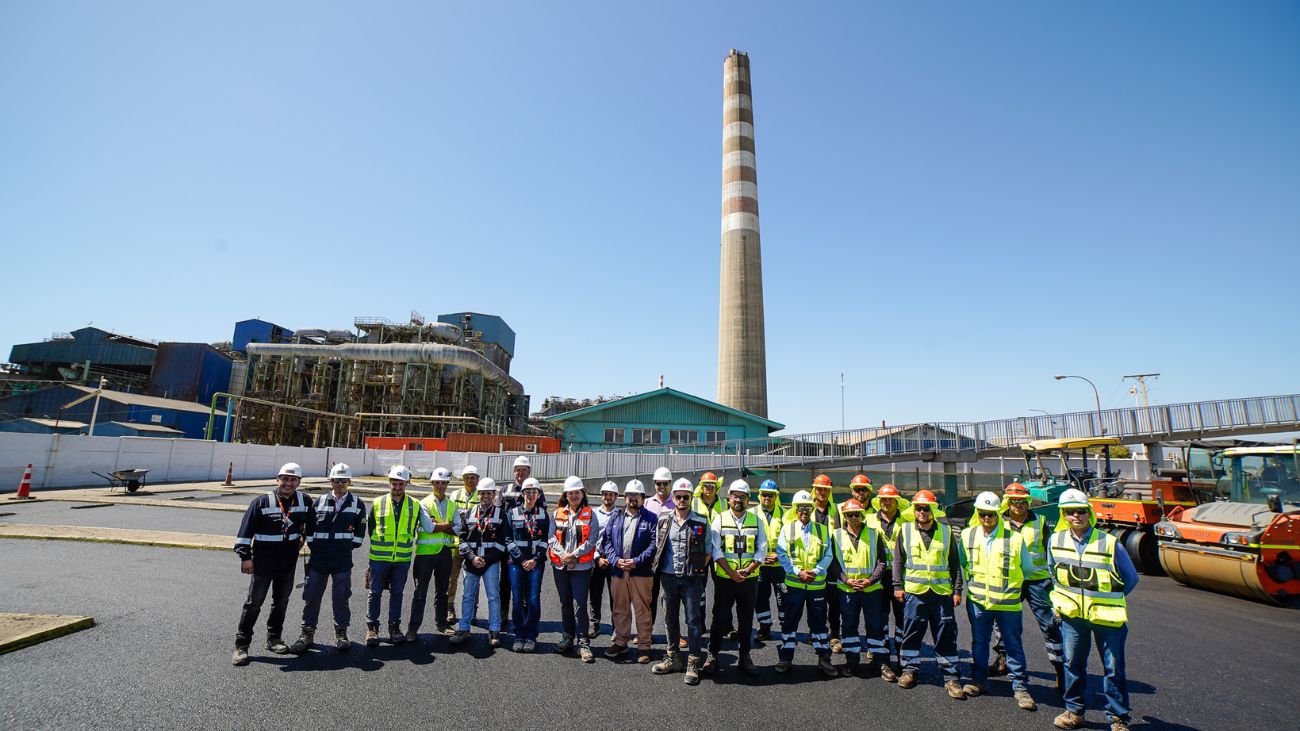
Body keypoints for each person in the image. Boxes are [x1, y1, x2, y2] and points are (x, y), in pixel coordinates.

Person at [1048, 489, 1140, 731]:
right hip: (1073, 617)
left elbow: (1130, 579)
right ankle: (1074, 712)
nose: (1076, 515)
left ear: (1089, 512)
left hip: (1107, 618)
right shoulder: (1055, 541)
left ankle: (1118, 719)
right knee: (1073, 665)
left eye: (1080, 510)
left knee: (1113, 669)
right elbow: (1053, 574)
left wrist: (1108, 601)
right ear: (1063, 514)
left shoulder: (1109, 542)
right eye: (1070, 511)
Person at [232, 462, 316, 666]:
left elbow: (311, 525)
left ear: (299, 482)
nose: (288, 483)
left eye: (293, 479)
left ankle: (274, 639)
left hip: (287, 564)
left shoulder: (305, 501)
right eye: (285, 479)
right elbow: (245, 533)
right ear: (278, 480)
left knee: (281, 602)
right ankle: (241, 646)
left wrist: (305, 538)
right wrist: (245, 557)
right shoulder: (261, 502)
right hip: (262, 563)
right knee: (254, 604)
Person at [960, 491, 1037, 711]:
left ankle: (1020, 688)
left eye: (991, 514)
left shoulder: (1015, 538)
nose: (987, 519)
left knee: (1013, 645)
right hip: (978, 601)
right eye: (983, 514)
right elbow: (965, 564)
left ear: (998, 514)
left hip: (1008, 604)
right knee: (979, 643)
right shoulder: (967, 536)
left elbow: (1028, 569)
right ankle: (979, 681)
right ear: (978, 513)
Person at [893, 489, 966, 699]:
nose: (922, 512)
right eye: (918, 508)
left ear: (933, 510)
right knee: (912, 633)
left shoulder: (946, 532)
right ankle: (909, 671)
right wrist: (898, 586)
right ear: (914, 510)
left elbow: (954, 564)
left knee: (945, 635)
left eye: (926, 508)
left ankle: (951, 677)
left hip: (941, 594)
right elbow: (898, 561)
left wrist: (957, 589)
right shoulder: (905, 530)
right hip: (915, 593)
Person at [994, 482, 1065, 693]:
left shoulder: (1040, 522)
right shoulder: (999, 521)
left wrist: (1055, 581)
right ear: (1008, 502)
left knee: (1049, 624)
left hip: (1037, 580)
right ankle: (1002, 659)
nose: (1018, 505)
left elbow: (1049, 551)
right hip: (1010, 580)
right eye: (1014, 501)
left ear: (1028, 501)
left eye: (1022, 501)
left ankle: (1060, 669)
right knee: (1004, 624)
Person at [291, 462, 366, 653]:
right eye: (336, 480)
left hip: (342, 560)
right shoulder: (319, 502)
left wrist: (347, 546)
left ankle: (341, 633)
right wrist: (315, 547)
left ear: (349, 481)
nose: (339, 483)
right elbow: (309, 529)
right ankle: (307, 633)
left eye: (343, 480)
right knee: (312, 596)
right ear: (330, 481)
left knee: (341, 597)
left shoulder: (357, 504)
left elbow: (359, 533)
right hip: (319, 560)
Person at [365, 465, 435, 646]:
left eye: (401, 484)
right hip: (379, 558)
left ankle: (394, 627)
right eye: (394, 483)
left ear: (406, 484)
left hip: (402, 559)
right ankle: (372, 628)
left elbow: (420, 528)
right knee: (375, 593)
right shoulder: (378, 502)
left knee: (397, 593)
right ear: (389, 483)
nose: (397, 487)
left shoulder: (415, 505)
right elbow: (371, 528)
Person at [651, 478, 712, 685]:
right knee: (670, 619)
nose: (682, 500)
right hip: (668, 578)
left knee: (693, 621)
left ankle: (693, 662)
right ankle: (673, 657)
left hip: (692, 580)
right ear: (673, 498)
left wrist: (694, 569)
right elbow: (657, 546)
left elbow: (708, 552)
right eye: (678, 497)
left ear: (691, 498)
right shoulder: (663, 519)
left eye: (686, 497)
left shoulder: (701, 522)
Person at [704, 479, 765, 676]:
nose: (738, 499)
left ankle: (745, 657)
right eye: (735, 496)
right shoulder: (720, 519)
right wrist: (731, 573)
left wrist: (748, 570)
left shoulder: (756, 521)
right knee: (719, 619)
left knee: (746, 619)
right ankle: (712, 655)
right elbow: (715, 549)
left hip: (749, 579)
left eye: (743, 496)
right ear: (729, 498)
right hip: (725, 579)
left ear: (748, 499)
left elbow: (762, 549)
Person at [774, 489, 836, 677]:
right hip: (794, 584)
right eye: (800, 508)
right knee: (790, 622)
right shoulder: (787, 528)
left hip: (816, 585)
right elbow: (783, 555)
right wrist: (798, 572)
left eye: (807, 507)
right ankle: (785, 657)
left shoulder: (822, 530)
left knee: (819, 624)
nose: (804, 511)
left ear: (812, 509)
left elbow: (828, 555)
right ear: (795, 509)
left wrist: (815, 572)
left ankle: (824, 658)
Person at [600, 478, 658, 664]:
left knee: (642, 609)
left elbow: (654, 545)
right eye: (630, 495)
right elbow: (606, 541)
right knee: (620, 609)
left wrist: (635, 561)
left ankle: (644, 646)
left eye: (637, 495)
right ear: (624, 498)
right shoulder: (615, 517)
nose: (633, 498)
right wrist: (616, 561)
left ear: (643, 497)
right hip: (618, 572)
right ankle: (621, 641)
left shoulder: (651, 518)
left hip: (640, 572)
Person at [832, 498, 890, 679]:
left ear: (862, 515)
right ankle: (851, 662)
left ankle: (879, 663)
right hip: (847, 589)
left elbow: (882, 561)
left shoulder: (874, 534)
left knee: (875, 626)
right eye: (850, 515)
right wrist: (846, 580)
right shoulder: (836, 535)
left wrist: (870, 580)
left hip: (871, 589)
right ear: (844, 516)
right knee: (849, 627)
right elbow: (833, 563)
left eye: (857, 514)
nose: (854, 518)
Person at [449, 478, 506, 647]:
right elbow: (462, 540)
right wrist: (472, 557)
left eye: (488, 493)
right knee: (467, 596)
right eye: (482, 493)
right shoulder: (468, 513)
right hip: (471, 562)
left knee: (493, 597)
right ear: (478, 494)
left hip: (490, 563)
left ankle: (494, 630)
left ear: (494, 495)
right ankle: (464, 628)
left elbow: (502, 543)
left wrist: (486, 560)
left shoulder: (501, 514)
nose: (485, 496)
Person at [549, 476, 601, 663]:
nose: (574, 496)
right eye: (570, 493)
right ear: (566, 495)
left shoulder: (590, 514)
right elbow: (551, 538)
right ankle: (567, 637)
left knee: (580, 604)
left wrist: (574, 555)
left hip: (582, 567)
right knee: (565, 603)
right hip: (561, 565)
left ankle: (584, 643)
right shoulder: (556, 514)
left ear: (582, 494)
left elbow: (592, 539)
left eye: (577, 493)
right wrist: (565, 555)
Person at [868, 483, 912, 678]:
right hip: (878, 575)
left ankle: (903, 658)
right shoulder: (869, 520)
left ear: (897, 501)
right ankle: (883, 660)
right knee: (880, 618)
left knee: (903, 619)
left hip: (901, 576)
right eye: (883, 499)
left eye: (890, 499)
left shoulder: (906, 522)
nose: (886, 503)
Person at [409, 467, 458, 640]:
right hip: (425, 555)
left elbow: (459, 529)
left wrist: (440, 525)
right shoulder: (424, 504)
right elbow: (429, 528)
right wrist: (449, 524)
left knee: (442, 592)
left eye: (443, 482)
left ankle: (442, 623)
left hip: (445, 554)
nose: (440, 486)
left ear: (447, 484)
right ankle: (413, 629)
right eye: (437, 482)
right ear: (431, 483)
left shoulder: (452, 504)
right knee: (420, 592)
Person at [503, 477, 549, 653]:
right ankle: (519, 634)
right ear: (522, 494)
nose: (530, 495)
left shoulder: (544, 514)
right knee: (517, 599)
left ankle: (530, 635)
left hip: (536, 564)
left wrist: (535, 560)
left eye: (534, 492)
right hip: (516, 563)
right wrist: (522, 560)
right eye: (527, 492)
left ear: (538, 495)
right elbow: (507, 538)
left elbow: (545, 540)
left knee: (533, 599)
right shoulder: (512, 513)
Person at [498, 455, 542, 628]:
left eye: (524, 470)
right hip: (508, 542)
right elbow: (499, 514)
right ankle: (503, 613)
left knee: (525, 585)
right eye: (517, 469)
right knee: (505, 582)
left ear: (529, 471)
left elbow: (541, 515)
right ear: (513, 471)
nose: (520, 473)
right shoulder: (504, 490)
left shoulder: (536, 489)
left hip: (528, 544)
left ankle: (523, 615)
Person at [691, 472, 725, 645]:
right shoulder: (693, 502)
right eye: (706, 485)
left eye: (712, 485)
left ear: (716, 487)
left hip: (720, 552)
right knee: (699, 588)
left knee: (723, 588)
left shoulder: (724, 503)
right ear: (701, 486)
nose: (709, 488)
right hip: (700, 552)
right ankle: (700, 622)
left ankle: (725, 623)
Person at [751, 479, 786, 641]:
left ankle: (786, 626)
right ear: (760, 495)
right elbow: (748, 540)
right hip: (760, 563)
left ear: (776, 496)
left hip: (780, 564)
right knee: (760, 597)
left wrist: (779, 554)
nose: (767, 498)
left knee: (783, 596)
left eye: (771, 495)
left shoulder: (785, 515)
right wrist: (760, 555)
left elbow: (791, 539)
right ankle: (764, 627)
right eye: (765, 494)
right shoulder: (751, 514)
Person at [446, 464, 481, 625]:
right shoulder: (455, 495)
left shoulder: (480, 496)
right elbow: (451, 517)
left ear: (477, 479)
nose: (470, 480)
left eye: (473, 477)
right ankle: (449, 608)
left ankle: (473, 610)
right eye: (467, 477)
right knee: (452, 578)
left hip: (473, 545)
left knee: (473, 579)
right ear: (462, 480)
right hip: (456, 542)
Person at [589, 480, 619, 638]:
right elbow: (590, 537)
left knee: (615, 595)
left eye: (611, 494)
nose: (608, 497)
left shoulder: (620, 515)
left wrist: (612, 558)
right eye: (605, 494)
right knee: (594, 593)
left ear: (616, 496)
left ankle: (616, 627)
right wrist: (597, 558)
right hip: (596, 558)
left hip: (613, 561)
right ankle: (594, 623)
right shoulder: (593, 514)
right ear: (601, 496)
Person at [644, 466, 674, 622]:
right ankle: (647, 632)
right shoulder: (647, 503)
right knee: (650, 596)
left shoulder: (677, 503)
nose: (661, 487)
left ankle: (674, 634)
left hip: (670, 556)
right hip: (651, 556)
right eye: (658, 483)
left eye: (665, 483)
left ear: (670, 483)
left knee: (671, 597)